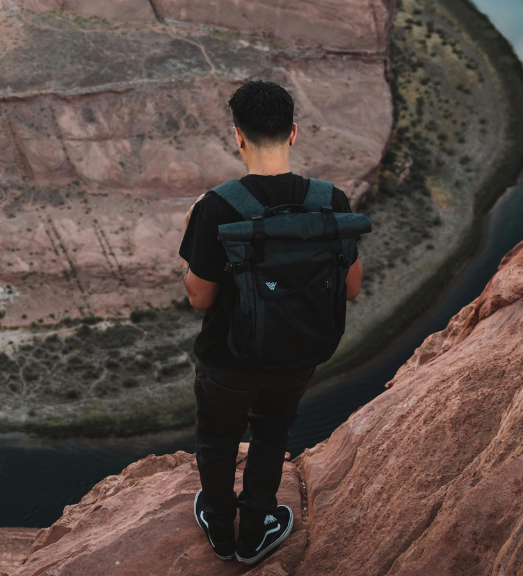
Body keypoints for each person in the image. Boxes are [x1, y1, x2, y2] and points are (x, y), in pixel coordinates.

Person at [179, 80, 364, 564]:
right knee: (272, 433)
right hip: (300, 352)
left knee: (218, 440)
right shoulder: (331, 201)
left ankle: (220, 528)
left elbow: (200, 298)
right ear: (294, 133)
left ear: (237, 136)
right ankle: (256, 529)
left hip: (228, 360)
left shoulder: (216, 207)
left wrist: (189, 237)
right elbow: (352, 287)